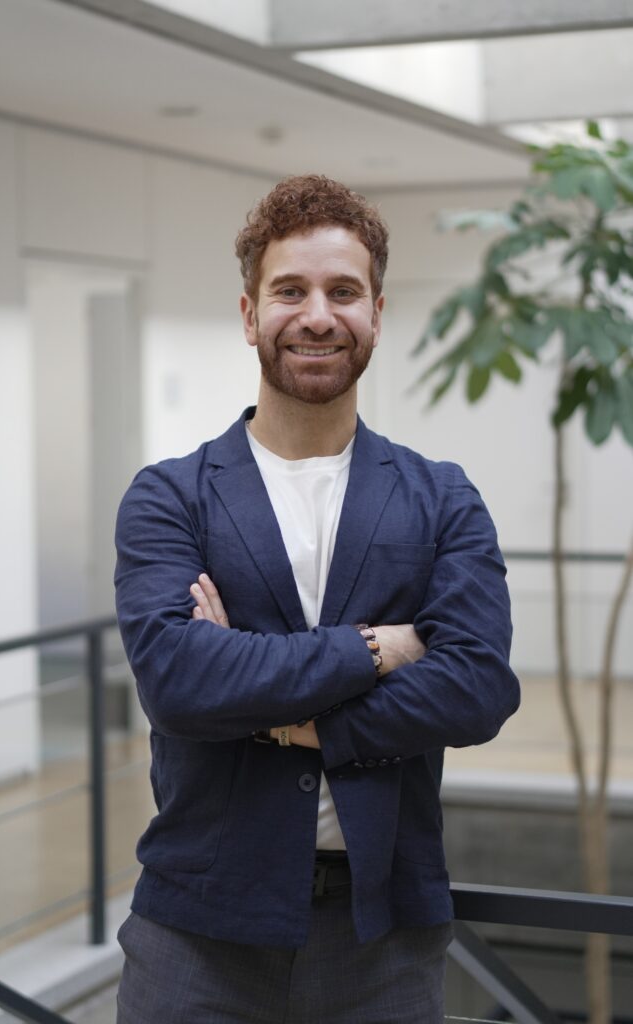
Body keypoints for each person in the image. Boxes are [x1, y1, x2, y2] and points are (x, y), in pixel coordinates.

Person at [113, 174, 520, 1023]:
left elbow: (477, 687)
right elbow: (181, 685)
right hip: (198, 937)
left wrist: (276, 712)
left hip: (384, 935)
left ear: (376, 312)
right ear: (248, 314)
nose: (316, 316)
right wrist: (381, 649)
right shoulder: (170, 497)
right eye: (288, 290)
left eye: (343, 292)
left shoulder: (440, 497)